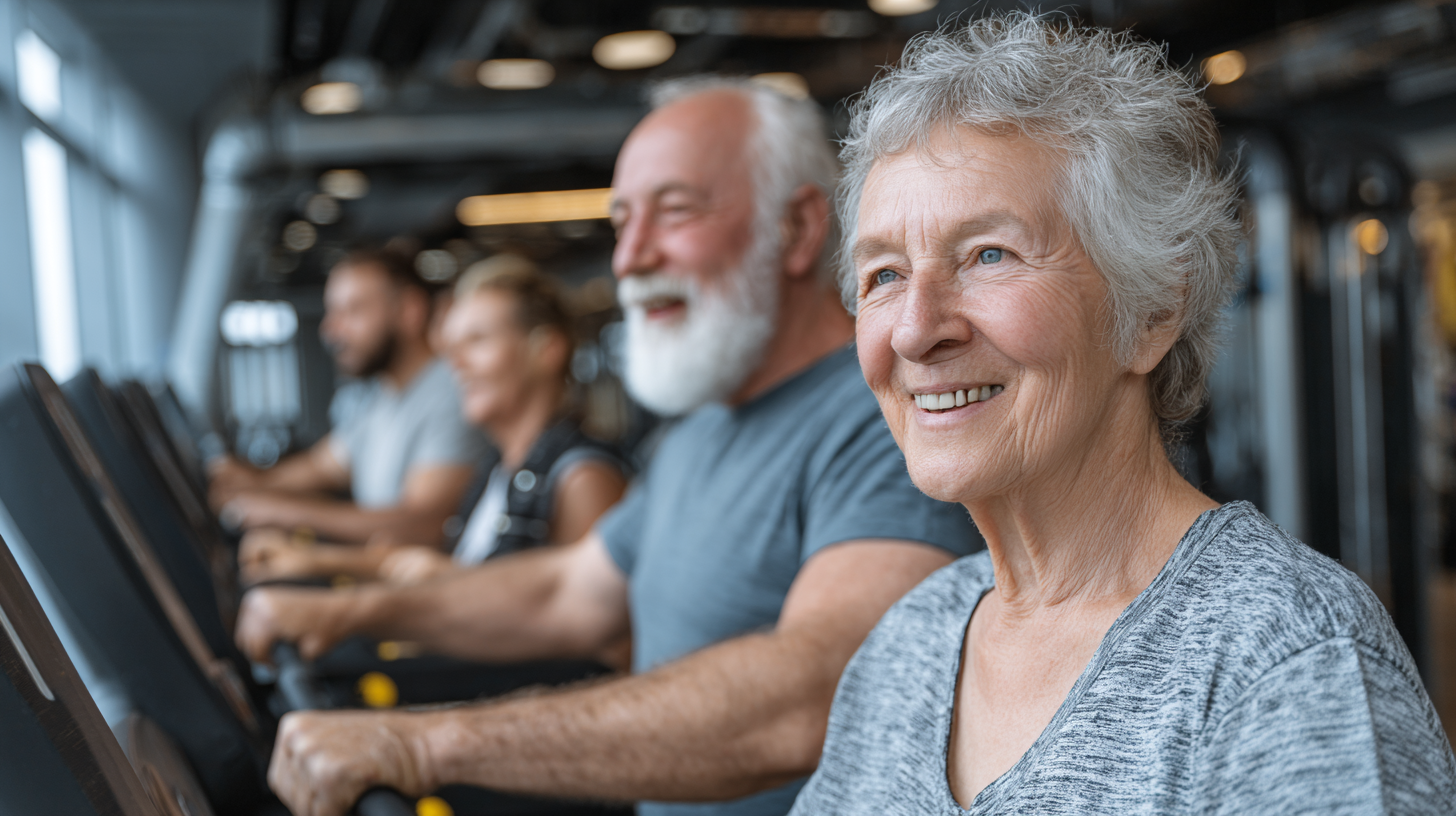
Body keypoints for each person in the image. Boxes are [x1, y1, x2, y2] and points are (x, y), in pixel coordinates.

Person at [234, 76, 984, 816]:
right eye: (623, 222)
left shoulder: (884, 419)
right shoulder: (697, 431)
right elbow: (566, 593)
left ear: (796, 230)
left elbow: (817, 694)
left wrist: (419, 746)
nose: (629, 258)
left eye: (674, 212)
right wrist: (345, 613)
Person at [789, 14, 1456, 815]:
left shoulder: (1288, 655)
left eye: (988, 255)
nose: (916, 328)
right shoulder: (911, 643)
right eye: (885, 274)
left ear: (1151, 314)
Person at [239, 255, 630, 586]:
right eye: (452, 347)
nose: (455, 364)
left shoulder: (583, 479)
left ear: (547, 350)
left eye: (477, 341)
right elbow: (458, 576)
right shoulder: (497, 471)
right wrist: (314, 560)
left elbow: (583, 627)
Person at [209, 248, 488, 545]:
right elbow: (322, 466)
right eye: (333, 312)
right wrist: (246, 483)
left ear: (409, 310)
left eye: (352, 311)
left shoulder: (451, 392)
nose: (331, 330)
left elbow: (420, 524)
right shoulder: (379, 395)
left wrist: (284, 513)